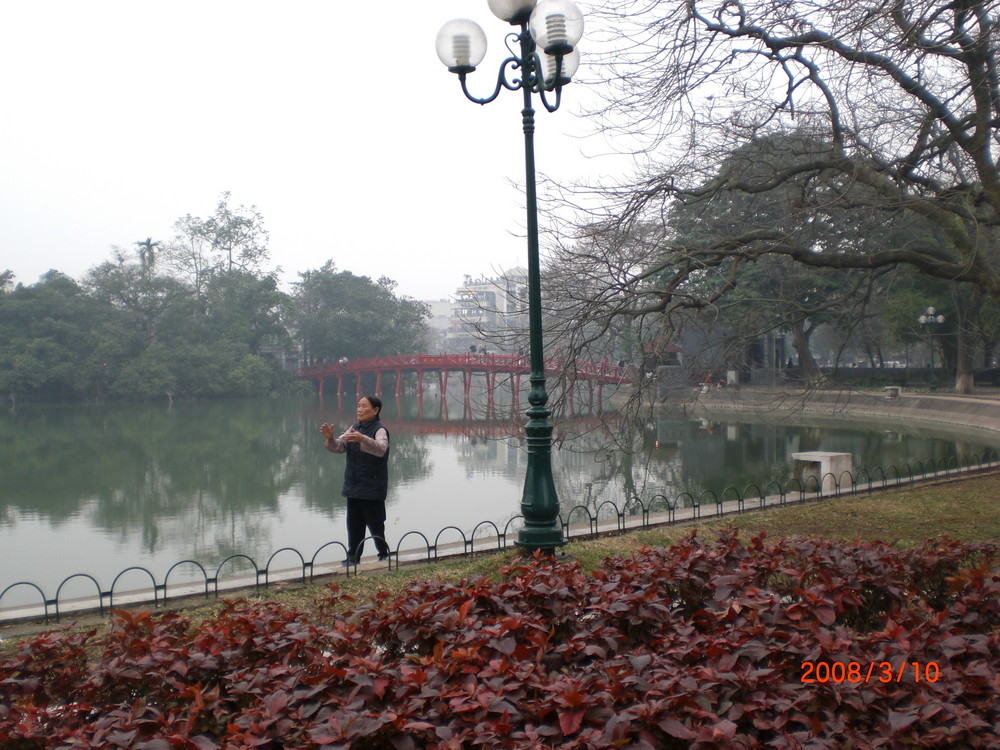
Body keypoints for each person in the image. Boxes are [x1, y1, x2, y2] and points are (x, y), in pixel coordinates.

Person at [321, 395, 391, 565]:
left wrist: (363, 439)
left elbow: (381, 449)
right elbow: (339, 446)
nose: (359, 409)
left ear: (375, 410)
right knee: (354, 524)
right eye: (358, 405)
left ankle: (383, 554)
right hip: (353, 485)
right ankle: (353, 557)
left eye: (364, 406)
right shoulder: (353, 428)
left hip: (372, 486)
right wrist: (330, 439)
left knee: (375, 525)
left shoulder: (379, 430)